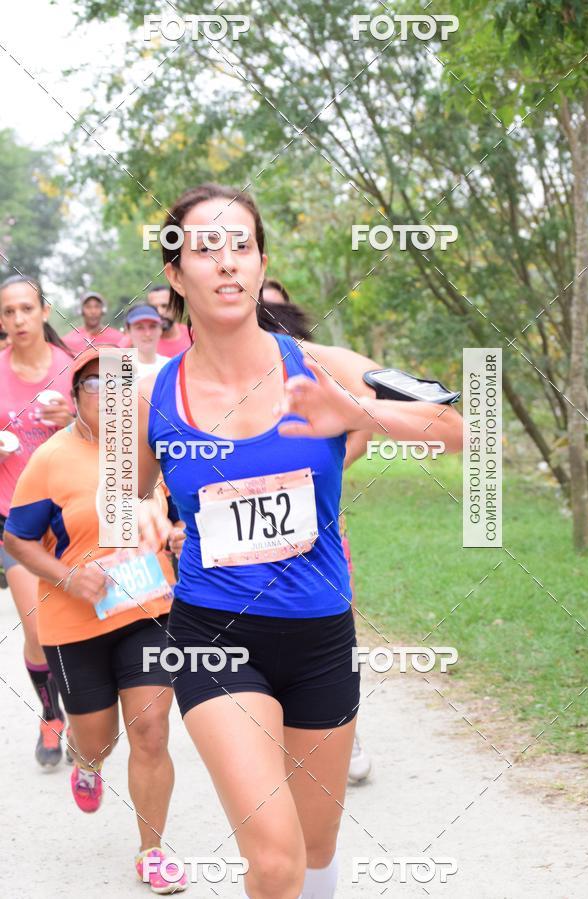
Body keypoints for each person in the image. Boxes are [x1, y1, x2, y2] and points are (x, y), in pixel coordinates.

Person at [136, 182, 463, 899]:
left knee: (316, 855)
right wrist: (141, 515)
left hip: (319, 637)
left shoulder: (321, 365)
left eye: (242, 246)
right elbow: (122, 491)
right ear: (174, 274)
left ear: (260, 265)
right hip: (214, 634)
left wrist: (357, 410)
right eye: (205, 247)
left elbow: (460, 429)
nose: (227, 263)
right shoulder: (154, 392)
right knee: (276, 860)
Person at [4, 345, 188, 894]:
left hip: (147, 609)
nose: (108, 397)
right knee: (98, 737)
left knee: (152, 731)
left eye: (119, 386)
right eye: (94, 386)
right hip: (75, 621)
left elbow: (175, 512)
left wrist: (176, 535)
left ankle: (151, 852)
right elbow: (17, 539)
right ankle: (87, 761)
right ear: (76, 395)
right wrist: (68, 577)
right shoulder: (51, 459)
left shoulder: (148, 451)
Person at [257, 280, 373, 784]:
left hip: (319, 526)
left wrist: (320, 474)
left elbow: (372, 423)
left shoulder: (317, 372)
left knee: (331, 615)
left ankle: (342, 724)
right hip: (242, 546)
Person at [0, 274, 74, 767]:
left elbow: (115, 436)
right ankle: (51, 715)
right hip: (16, 519)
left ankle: (90, 714)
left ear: (44, 312)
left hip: (73, 517)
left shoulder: (74, 369)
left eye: (27, 309)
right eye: (8, 312)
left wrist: (75, 418)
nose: (18, 319)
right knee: (37, 626)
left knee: (81, 625)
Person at [125, 304, 170, 378]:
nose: (147, 333)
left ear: (161, 329)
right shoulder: (117, 368)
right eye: (139, 327)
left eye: (153, 326)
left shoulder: (170, 366)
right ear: (128, 331)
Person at [147, 284, 192, 357]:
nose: (160, 312)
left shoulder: (193, 335)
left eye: (165, 306)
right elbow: (124, 366)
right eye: (154, 307)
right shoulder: (139, 340)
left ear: (176, 307)